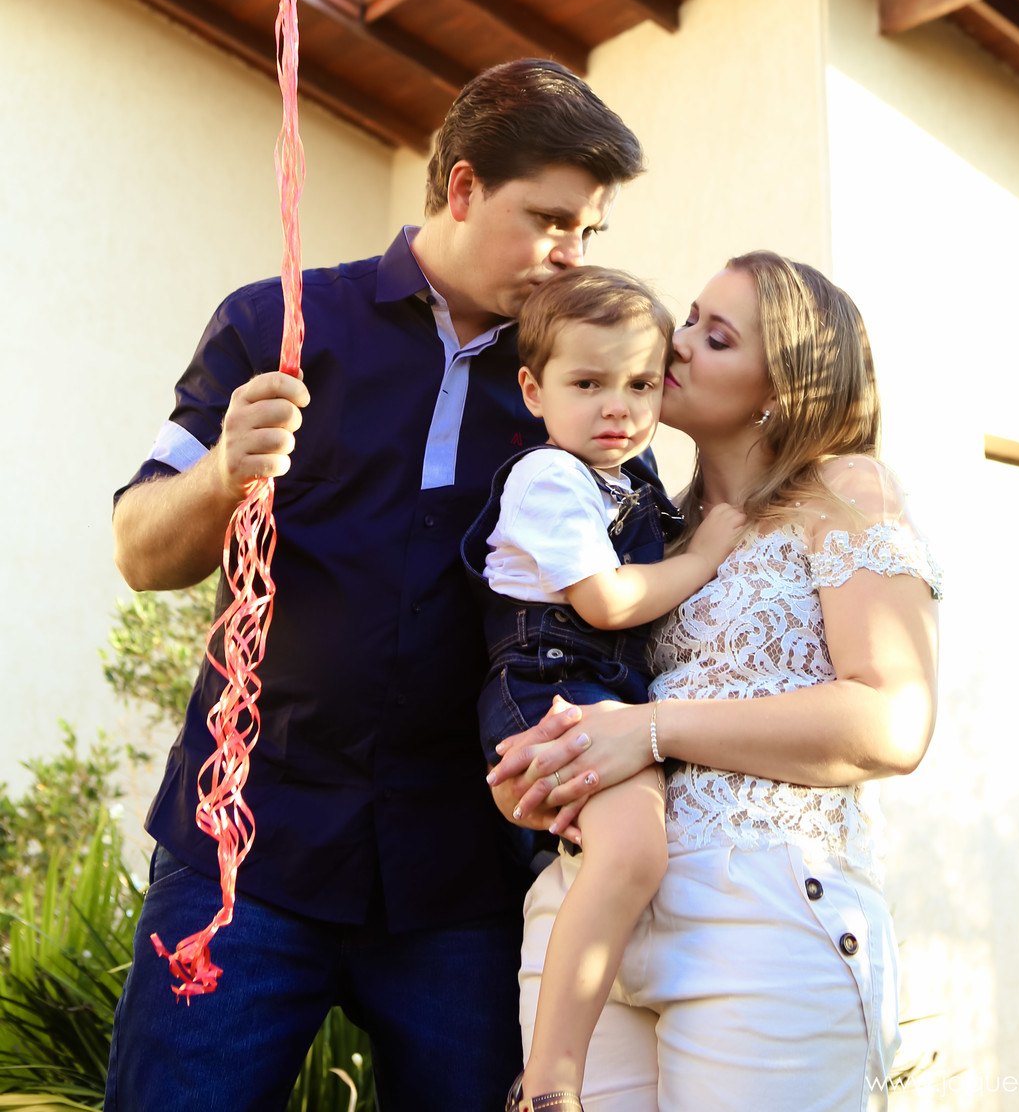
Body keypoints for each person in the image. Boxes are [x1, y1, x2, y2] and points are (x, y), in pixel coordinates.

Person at [105, 59, 651, 1112]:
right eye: (549, 223)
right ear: (459, 188)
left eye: (588, 233)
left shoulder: (578, 369)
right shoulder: (275, 321)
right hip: (243, 852)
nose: (570, 258)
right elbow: (139, 550)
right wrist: (225, 473)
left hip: (464, 876)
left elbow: (637, 570)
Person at [488, 252, 943, 1112]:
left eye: (717, 336)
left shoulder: (847, 493)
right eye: (691, 318)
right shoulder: (644, 518)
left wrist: (652, 731)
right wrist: (548, 779)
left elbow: (894, 719)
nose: (679, 343)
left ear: (783, 387)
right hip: (586, 912)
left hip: (759, 912)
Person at [461, 267, 746, 1112]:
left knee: (625, 852)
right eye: (587, 384)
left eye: (640, 383)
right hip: (551, 681)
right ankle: (547, 1087)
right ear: (533, 390)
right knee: (633, 851)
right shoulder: (547, 479)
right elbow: (607, 599)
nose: (618, 407)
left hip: (593, 685)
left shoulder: (628, 481)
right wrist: (703, 558)